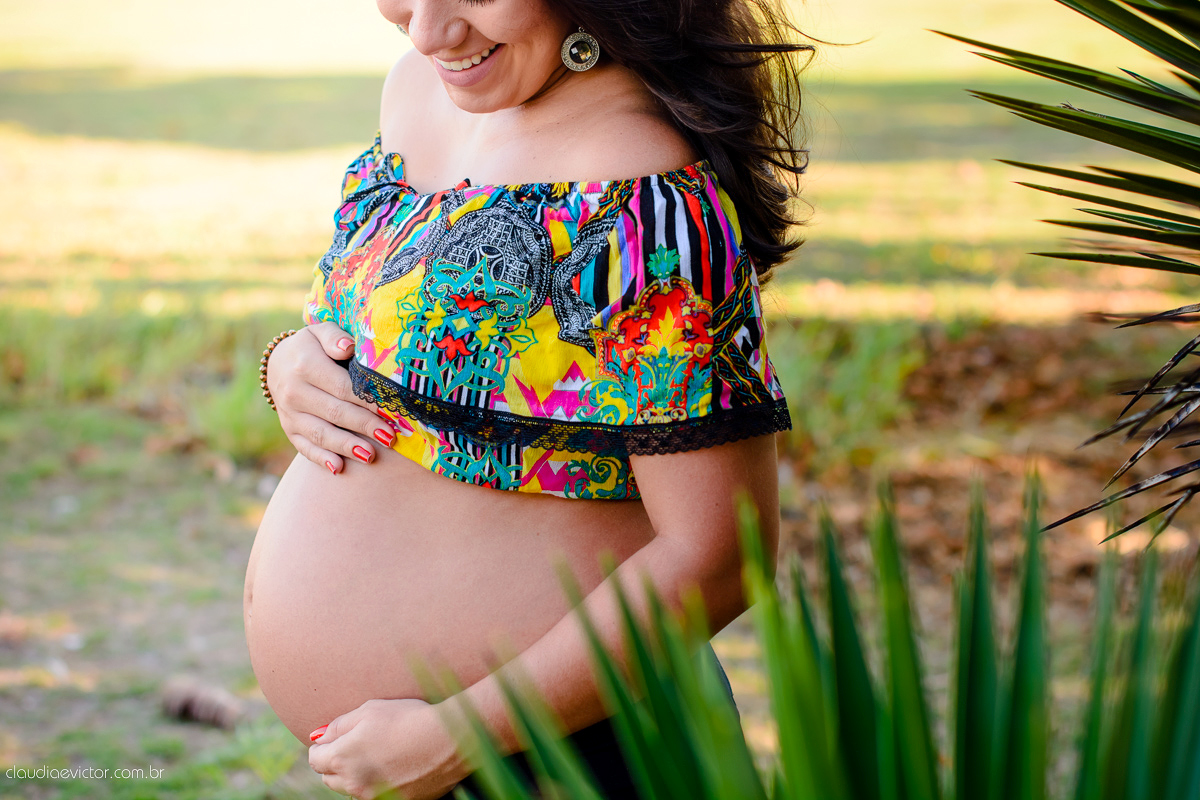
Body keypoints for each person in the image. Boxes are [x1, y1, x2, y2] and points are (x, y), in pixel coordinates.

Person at [243, 0, 810, 797]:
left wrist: (458, 736)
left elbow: (717, 556)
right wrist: (292, 363)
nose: (427, 30)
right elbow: (396, 325)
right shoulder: (417, 91)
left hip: (567, 752)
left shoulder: (642, 189)